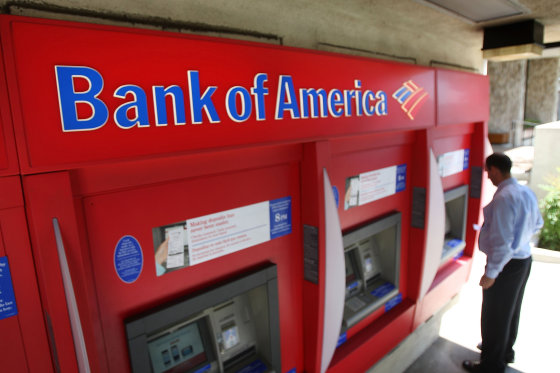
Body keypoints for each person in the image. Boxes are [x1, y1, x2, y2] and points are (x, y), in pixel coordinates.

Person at [462, 153, 543, 373]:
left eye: (488, 171)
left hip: (505, 265)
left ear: (495, 170)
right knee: (511, 310)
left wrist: (492, 273)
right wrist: (521, 242)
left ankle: (491, 365)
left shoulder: (504, 198)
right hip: (523, 260)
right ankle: (503, 350)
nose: (488, 176)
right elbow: (537, 224)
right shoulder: (525, 192)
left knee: (494, 315)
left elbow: (502, 241)